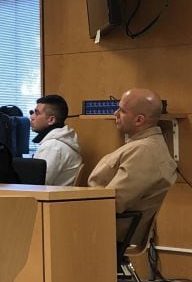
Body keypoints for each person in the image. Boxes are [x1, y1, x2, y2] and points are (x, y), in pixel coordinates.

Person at [87, 88, 176, 244]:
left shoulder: (144, 151)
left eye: (122, 110)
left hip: (103, 232)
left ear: (139, 120)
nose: (115, 114)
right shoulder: (142, 146)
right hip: (101, 225)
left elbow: (111, 202)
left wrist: (73, 213)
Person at [30, 94, 82, 186]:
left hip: (49, 198)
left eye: (37, 113)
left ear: (51, 120)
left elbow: (37, 184)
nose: (32, 117)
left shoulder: (53, 147)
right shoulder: (60, 141)